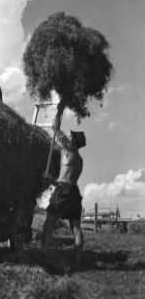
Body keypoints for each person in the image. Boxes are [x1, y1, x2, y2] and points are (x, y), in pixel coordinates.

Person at [41, 98, 86, 271]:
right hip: (74, 192)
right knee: (76, 228)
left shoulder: (67, 151)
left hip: (63, 191)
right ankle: (78, 261)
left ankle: (44, 256)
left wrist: (59, 111)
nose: (68, 136)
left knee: (49, 224)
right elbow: (67, 176)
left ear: (74, 142)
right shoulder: (80, 160)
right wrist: (53, 179)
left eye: (71, 136)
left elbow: (55, 128)